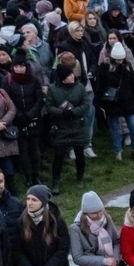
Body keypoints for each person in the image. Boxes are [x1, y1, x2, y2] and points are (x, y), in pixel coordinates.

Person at [45, 63, 89, 193]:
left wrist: (73, 112)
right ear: (63, 77)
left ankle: (80, 177)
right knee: (58, 156)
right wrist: (62, 113)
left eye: (72, 74)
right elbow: (49, 107)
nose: (72, 76)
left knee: (80, 154)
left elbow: (85, 104)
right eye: (69, 75)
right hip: (61, 127)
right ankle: (55, 182)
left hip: (78, 126)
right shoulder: (52, 89)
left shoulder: (80, 87)